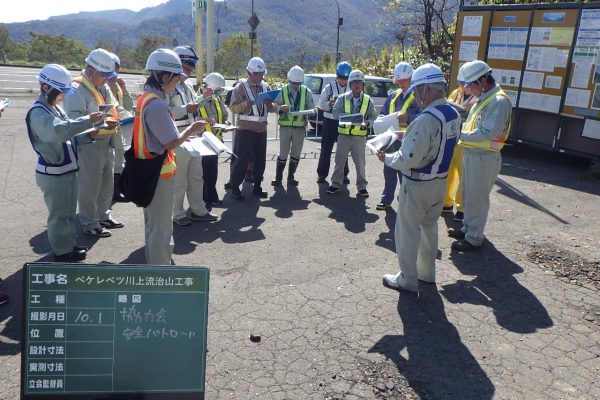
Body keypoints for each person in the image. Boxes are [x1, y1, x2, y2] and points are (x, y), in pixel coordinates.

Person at [379, 63, 460, 292]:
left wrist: (386, 158)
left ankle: (407, 278)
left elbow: (408, 159)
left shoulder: (425, 119)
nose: (415, 95)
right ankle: (427, 273)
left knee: (407, 233)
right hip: (439, 184)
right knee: (429, 230)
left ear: (426, 90)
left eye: (417, 90)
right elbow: (438, 141)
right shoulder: (452, 113)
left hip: (417, 185)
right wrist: (409, 134)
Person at [26, 64, 110, 262]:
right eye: (61, 91)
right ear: (46, 88)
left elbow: (68, 136)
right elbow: (57, 132)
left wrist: (88, 134)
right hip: (54, 173)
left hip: (65, 170)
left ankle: (67, 245)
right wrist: (88, 121)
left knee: (68, 213)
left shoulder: (53, 107)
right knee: (59, 215)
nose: (64, 96)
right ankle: (63, 252)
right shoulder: (38, 112)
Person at [134, 48, 206, 264]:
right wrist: (191, 130)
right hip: (158, 171)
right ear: (164, 77)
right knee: (162, 228)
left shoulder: (146, 98)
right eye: (175, 80)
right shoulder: (157, 104)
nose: (177, 84)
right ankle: (160, 268)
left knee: (153, 225)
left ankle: (154, 261)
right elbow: (171, 142)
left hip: (147, 167)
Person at [448, 60, 512, 251]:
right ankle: (468, 228)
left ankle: (474, 237)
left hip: (484, 156)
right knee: (468, 195)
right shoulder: (486, 97)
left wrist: (459, 134)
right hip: (472, 153)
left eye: (470, 85)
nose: (468, 90)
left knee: (477, 198)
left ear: (483, 80)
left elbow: (489, 132)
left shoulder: (499, 101)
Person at [63, 48, 127, 238]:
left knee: (107, 182)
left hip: (107, 140)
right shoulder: (76, 90)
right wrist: (101, 124)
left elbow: (116, 108)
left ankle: (103, 215)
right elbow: (73, 121)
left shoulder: (103, 86)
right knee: (90, 186)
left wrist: (131, 118)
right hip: (89, 143)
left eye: (109, 75)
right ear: (90, 70)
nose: (107, 79)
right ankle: (90, 222)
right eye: (104, 75)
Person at [168, 46, 218, 226]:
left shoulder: (187, 83)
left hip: (193, 136)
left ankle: (198, 209)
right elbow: (163, 110)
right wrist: (184, 109)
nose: (190, 67)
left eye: (192, 64)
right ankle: (178, 213)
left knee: (197, 176)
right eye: (188, 63)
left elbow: (192, 106)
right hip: (178, 136)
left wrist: (202, 99)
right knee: (179, 179)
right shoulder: (168, 85)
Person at [228, 56, 277, 200]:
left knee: (260, 160)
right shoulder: (240, 87)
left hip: (261, 130)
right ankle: (235, 188)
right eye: (257, 75)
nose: (259, 78)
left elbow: (273, 108)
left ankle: (257, 187)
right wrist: (245, 105)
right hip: (245, 130)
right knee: (241, 160)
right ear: (249, 73)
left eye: (261, 75)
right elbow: (233, 108)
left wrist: (270, 105)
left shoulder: (266, 87)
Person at [375, 62, 421, 210]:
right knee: (388, 170)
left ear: (411, 78)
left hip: (408, 140)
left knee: (405, 173)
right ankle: (386, 198)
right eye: (398, 81)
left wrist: (408, 117)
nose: (400, 83)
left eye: (403, 80)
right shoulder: (393, 96)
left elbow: (424, 118)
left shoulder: (419, 96)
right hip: (392, 140)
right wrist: (382, 121)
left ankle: (406, 201)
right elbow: (383, 113)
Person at [326, 69, 378, 197]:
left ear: (363, 85)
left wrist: (368, 123)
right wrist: (347, 118)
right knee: (339, 161)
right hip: (344, 136)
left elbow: (373, 116)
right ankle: (335, 184)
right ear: (350, 84)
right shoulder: (342, 98)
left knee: (360, 163)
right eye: (354, 82)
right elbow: (335, 113)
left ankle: (362, 187)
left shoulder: (367, 100)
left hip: (359, 137)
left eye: (360, 82)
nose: (357, 85)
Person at [442, 61, 479, 222]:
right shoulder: (455, 93)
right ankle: (446, 202)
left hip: (467, 142)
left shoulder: (479, 96)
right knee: (449, 174)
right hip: (452, 140)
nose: (462, 85)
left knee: (465, 176)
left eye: (465, 83)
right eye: (460, 82)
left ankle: (462, 208)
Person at [272, 65, 315, 187]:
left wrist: (309, 113)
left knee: (296, 153)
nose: (295, 85)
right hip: (285, 127)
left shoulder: (306, 92)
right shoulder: (283, 90)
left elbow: (312, 108)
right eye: (293, 83)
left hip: (300, 127)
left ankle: (291, 177)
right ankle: (278, 178)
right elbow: (274, 106)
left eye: (297, 83)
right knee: (283, 153)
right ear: (289, 80)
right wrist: (280, 108)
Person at [316, 61, 352, 184]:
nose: (343, 81)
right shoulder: (329, 87)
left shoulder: (351, 88)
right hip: (330, 121)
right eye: (342, 78)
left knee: (344, 149)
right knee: (326, 148)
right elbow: (320, 105)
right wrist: (329, 104)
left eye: (346, 78)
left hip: (344, 122)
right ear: (337, 76)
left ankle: (344, 174)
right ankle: (322, 174)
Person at [199, 72, 229, 207]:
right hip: (202, 143)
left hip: (215, 142)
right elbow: (193, 117)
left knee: (212, 172)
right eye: (217, 90)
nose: (219, 93)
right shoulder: (197, 99)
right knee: (203, 173)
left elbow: (223, 115)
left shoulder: (216, 99)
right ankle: (204, 200)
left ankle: (211, 197)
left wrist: (226, 125)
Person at [107, 52, 134, 203]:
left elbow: (128, 106)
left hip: (121, 128)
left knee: (119, 160)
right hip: (108, 129)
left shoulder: (117, 85)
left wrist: (124, 90)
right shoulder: (102, 86)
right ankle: (111, 193)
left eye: (117, 68)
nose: (115, 72)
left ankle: (117, 192)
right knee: (111, 162)